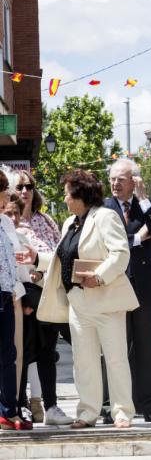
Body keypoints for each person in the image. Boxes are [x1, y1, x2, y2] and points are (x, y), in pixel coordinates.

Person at [32, 169, 138, 429]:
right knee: (84, 361)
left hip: (106, 301)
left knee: (115, 358)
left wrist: (99, 276)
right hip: (77, 303)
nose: (65, 199)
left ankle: (122, 412)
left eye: (67, 194)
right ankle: (88, 412)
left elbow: (120, 254)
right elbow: (61, 260)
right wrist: (35, 259)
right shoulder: (70, 223)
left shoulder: (105, 217)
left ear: (81, 195)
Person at [105, 158, 151, 422]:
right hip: (115, 285)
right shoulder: (104, 209)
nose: (115, 183)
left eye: (121, 178)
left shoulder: (145, 207)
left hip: (143, 286)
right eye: (112, 179)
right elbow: (110, 243)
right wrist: (135, 238)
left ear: (135, 182)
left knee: (146, 346)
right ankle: (113, 406)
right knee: (116, 347)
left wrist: (145, 200)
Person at [12, 169, 72, 425]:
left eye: (29, 186)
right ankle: (19, 404)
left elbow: (60, 249)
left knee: (47, 349)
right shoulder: (11, 222)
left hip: (52, 288)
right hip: (28, 292)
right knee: (24, 350)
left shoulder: (45, 219)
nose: (25, 191)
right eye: (20, 187)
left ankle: (51, 407)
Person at [0, 170, 31, 431]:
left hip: (7, 294)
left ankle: (9, 411)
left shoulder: (6, 223)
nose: (6, 198)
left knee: (8, 353)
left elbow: (15, 256)